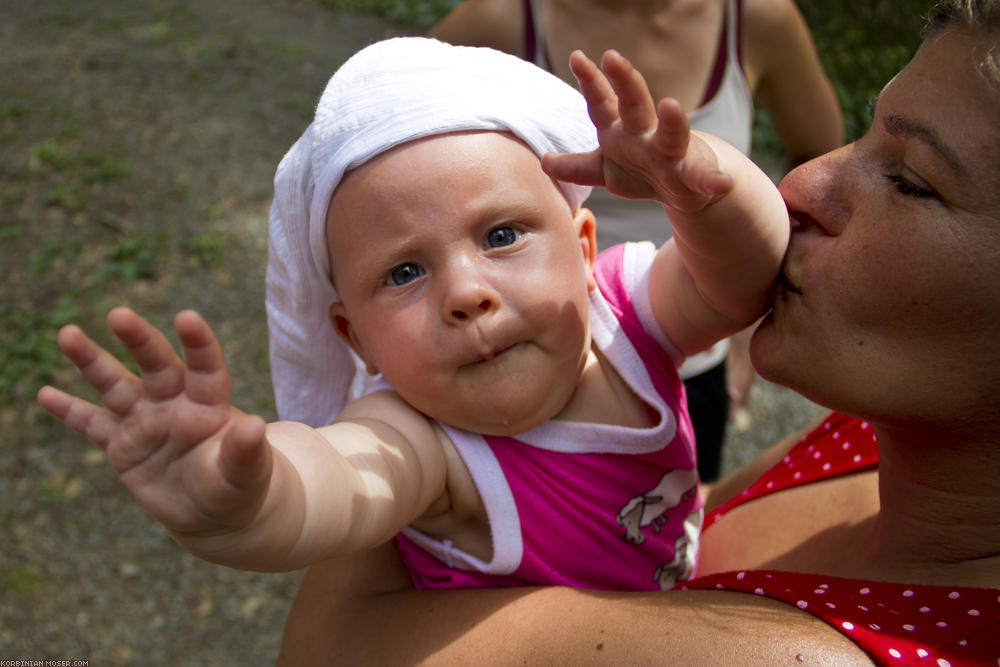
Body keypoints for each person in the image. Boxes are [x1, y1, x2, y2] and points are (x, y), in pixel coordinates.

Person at [277, 1, 1000, 664]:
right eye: (405, 271)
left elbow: (319, 644)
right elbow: (659, 510)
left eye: (911, 180)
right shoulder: (865, 435)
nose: (803, 180)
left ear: (586, 247)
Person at [36, 38, 788, 591]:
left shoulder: (626, 314)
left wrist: (701, 185)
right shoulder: (427, 442)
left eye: (501, 235)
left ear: (585, 247)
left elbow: (745, 272)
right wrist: (247, 496)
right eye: (404, 272)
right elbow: (337, 481)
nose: (465, 292)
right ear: (353, 337)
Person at [430, 0, 846, 481]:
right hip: (524, 357)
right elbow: (375, 142)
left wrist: (755, 317)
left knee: (668, 536)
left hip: (692, 353)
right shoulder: (502, 18)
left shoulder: (758, 18)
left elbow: (821, 167)